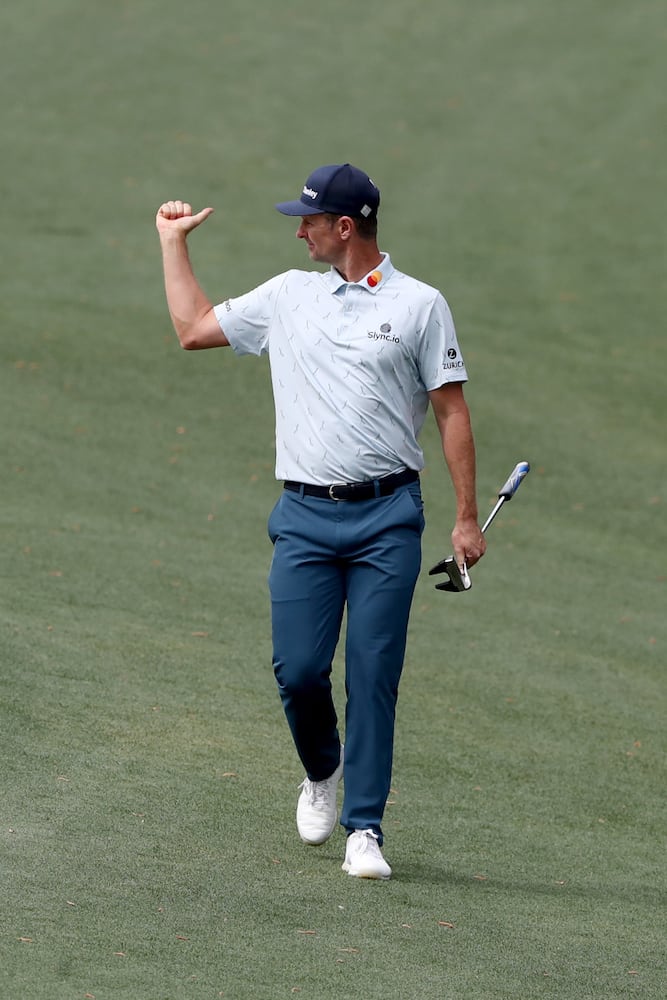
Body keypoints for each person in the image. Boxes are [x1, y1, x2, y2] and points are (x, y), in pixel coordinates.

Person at [156, 163, 486, 880]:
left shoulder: (421, 304)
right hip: (304, 516)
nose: (297, 230)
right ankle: (321, 771)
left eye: (307, 220)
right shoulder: (287, 296)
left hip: (389, 519)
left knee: (372, 672)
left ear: (345, 227)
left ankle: (364, 829)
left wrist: (465, 519)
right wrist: (171, 242)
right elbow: (191, 330)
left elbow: (450, 410)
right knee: (299, 671)